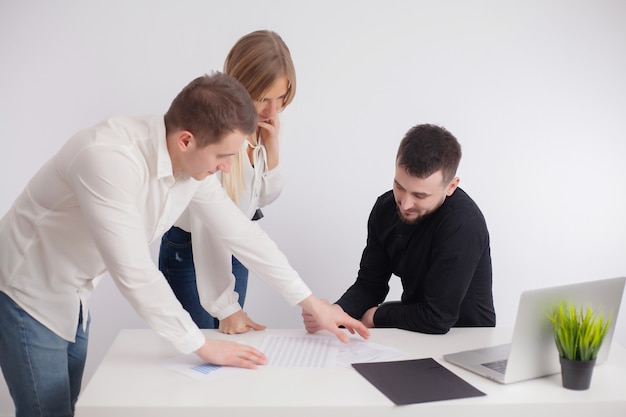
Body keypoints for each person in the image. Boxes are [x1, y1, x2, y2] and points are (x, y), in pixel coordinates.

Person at [0, 72, 369, 417]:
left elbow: (241, 233)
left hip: (75, 294)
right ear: (186, 140)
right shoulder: (108, 157)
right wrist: (202, 345)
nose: (228, 167)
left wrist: (311, 303)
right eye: (224, 155)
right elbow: (134, 272)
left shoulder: (191, 164)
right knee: (48, 411)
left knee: (68, 407)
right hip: (28, 293)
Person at [159, 30, 295, 332]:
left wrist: (272, 147)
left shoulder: (263, 123)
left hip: (233, 245)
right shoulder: (218, 131)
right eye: (263, 99)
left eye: (280, 98)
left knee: (226, 345)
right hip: (193, 248)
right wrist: (226, 306)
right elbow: (211, 225)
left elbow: (262, 198)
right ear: (242, 87)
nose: (273, 111)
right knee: (198, 353)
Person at [302, 124, 495, 335]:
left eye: (420, 196)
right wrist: (335, 312)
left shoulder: (463, 223)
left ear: (451, 186)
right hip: (413, 331)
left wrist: (374, 317)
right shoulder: (385, 209)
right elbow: (370, 284)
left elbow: (438, 318)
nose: (405, 204)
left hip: (467, 338)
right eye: (400, 187)